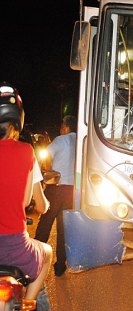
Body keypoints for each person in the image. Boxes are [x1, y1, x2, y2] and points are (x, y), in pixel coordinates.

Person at [0, 82, 53, 302]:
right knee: (47, 252)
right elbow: (29, 202)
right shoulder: (26, 151)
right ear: (17, 120)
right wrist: (44, 205)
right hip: (14, 247)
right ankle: (29, 303)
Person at [35, 114, 77, 277]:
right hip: (71, 191)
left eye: (62, 126)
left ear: (66, 127)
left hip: (55, 188)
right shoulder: (79, 141)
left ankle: (36, 259)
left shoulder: (61, 140)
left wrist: (49, 169)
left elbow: (45, 155)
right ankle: (60, 265)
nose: (61, 129)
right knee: (63, 228)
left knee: (45, 223)